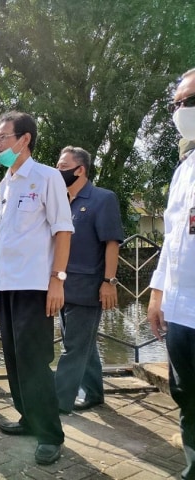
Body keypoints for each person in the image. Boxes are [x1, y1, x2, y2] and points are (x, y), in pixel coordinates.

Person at [0, 111, 73, 465]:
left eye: (3, 137)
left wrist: (57, 280)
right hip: (8, 284)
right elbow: (4, 236)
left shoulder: (47, 177)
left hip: (36, 285)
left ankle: (50, 433)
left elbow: (63, 231)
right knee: (15, 359)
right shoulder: (6, 182)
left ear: (24, 139)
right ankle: (28, 417)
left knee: (35, 360)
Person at [148, 67, 195, 480]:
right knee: (186, 393)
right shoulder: (185, 167)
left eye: (189, 101)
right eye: (177, 103)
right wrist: (157, 292)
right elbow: (172, 237)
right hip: (181, 308)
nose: (181, 110)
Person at [54, 146, 124, 414]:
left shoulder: (102, 199)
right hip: (62, 286)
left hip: (88, 289)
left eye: (63, 166)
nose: (58, 171)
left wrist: (109, 281)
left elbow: (111, 243)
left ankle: (58, 402)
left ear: (80, 169)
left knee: (73, 348)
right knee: (83, 343)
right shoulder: (61, 201)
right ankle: (94, 393)